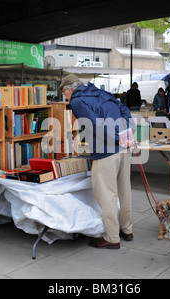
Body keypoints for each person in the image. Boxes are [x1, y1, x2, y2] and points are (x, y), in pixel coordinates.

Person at [59, 74, 136, 249]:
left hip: (106, 151)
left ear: (69, 89)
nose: (66, 98)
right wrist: (127, 132)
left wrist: (115, 138)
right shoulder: (100, 92)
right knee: (125, 191)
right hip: (124, 148)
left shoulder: (77, 101)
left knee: (107, 194)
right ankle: (127, 230)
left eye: (65, 94)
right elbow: (124, 109)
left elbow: (94, 124)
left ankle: (112, 237)